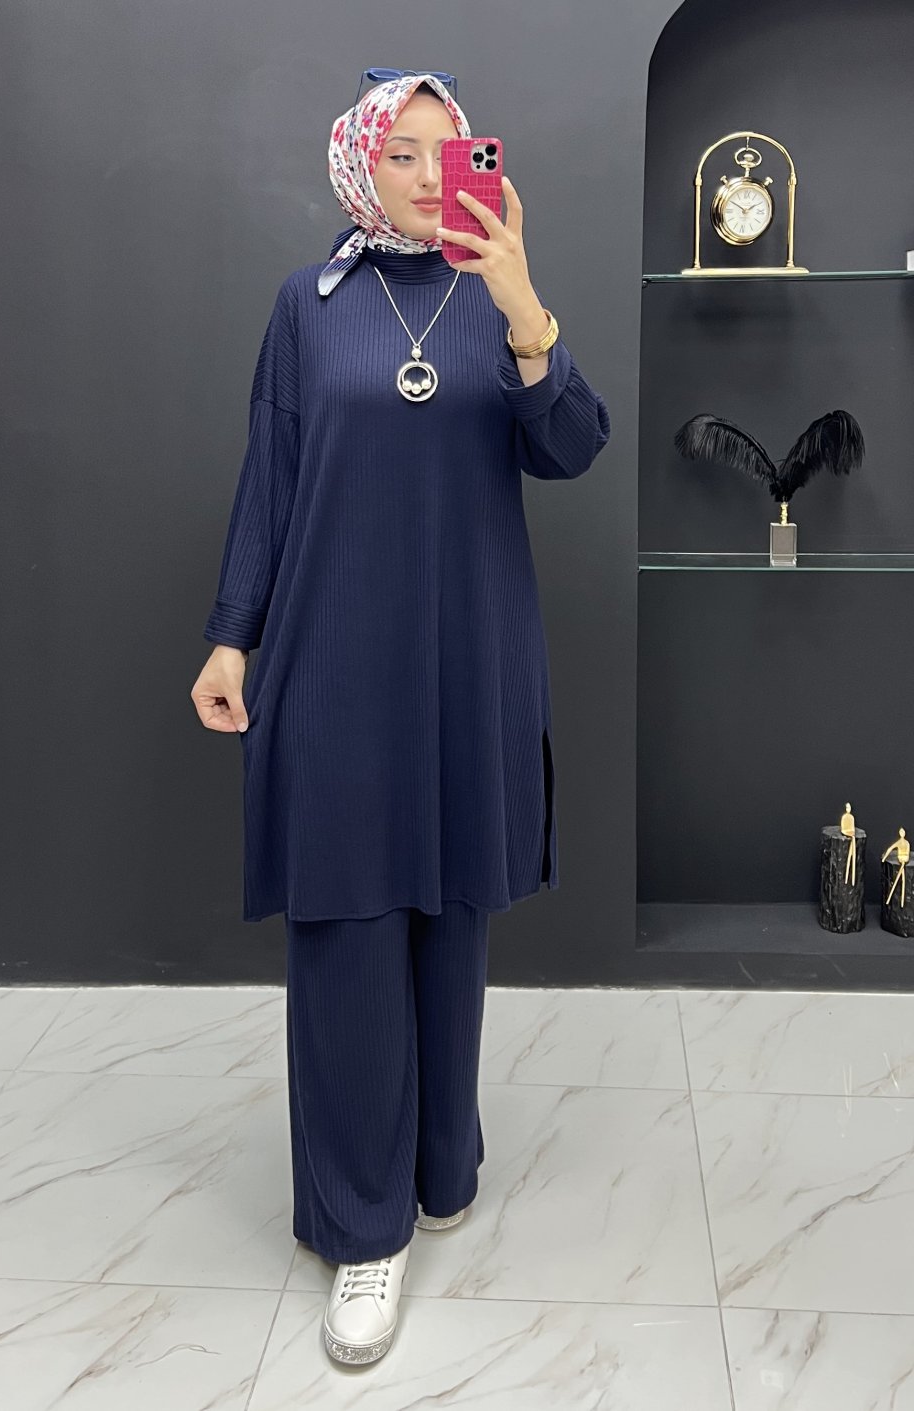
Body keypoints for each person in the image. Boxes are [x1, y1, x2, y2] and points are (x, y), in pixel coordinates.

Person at [190, 71, 611, 1366]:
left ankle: (439, 1165)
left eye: (453, 152)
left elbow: (573, 447)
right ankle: (362, 1229)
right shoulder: (307, 307)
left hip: (470, 662)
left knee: (451, 916)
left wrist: (527, 308)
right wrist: (232, 633)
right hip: (334, 665)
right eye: (407, 154)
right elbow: (271, 475)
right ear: (359, 165)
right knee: (350, 930)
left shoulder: (497, 298)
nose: (434, 177)